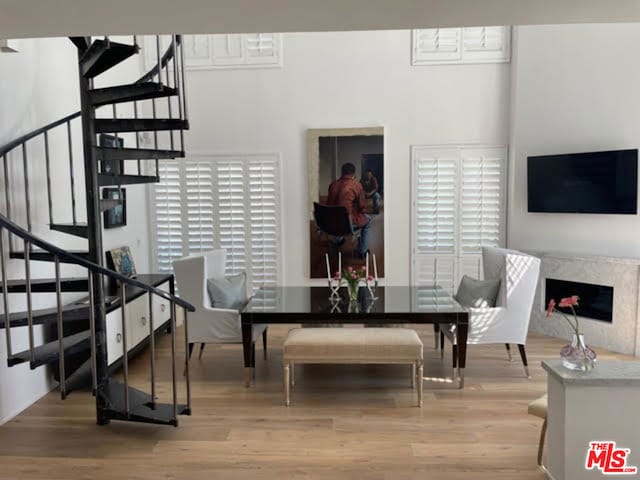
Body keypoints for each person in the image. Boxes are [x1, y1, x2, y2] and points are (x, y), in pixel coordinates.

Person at [327, 162, 370, 258]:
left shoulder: (333, 184)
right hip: (347, 224)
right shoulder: (356, 185)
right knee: (368, 220)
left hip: (331, 222)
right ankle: (362, 251)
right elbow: (363, 206)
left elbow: (329, 204)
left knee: (339, 216)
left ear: (342, 172)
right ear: (354, 173)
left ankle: (337, 240)